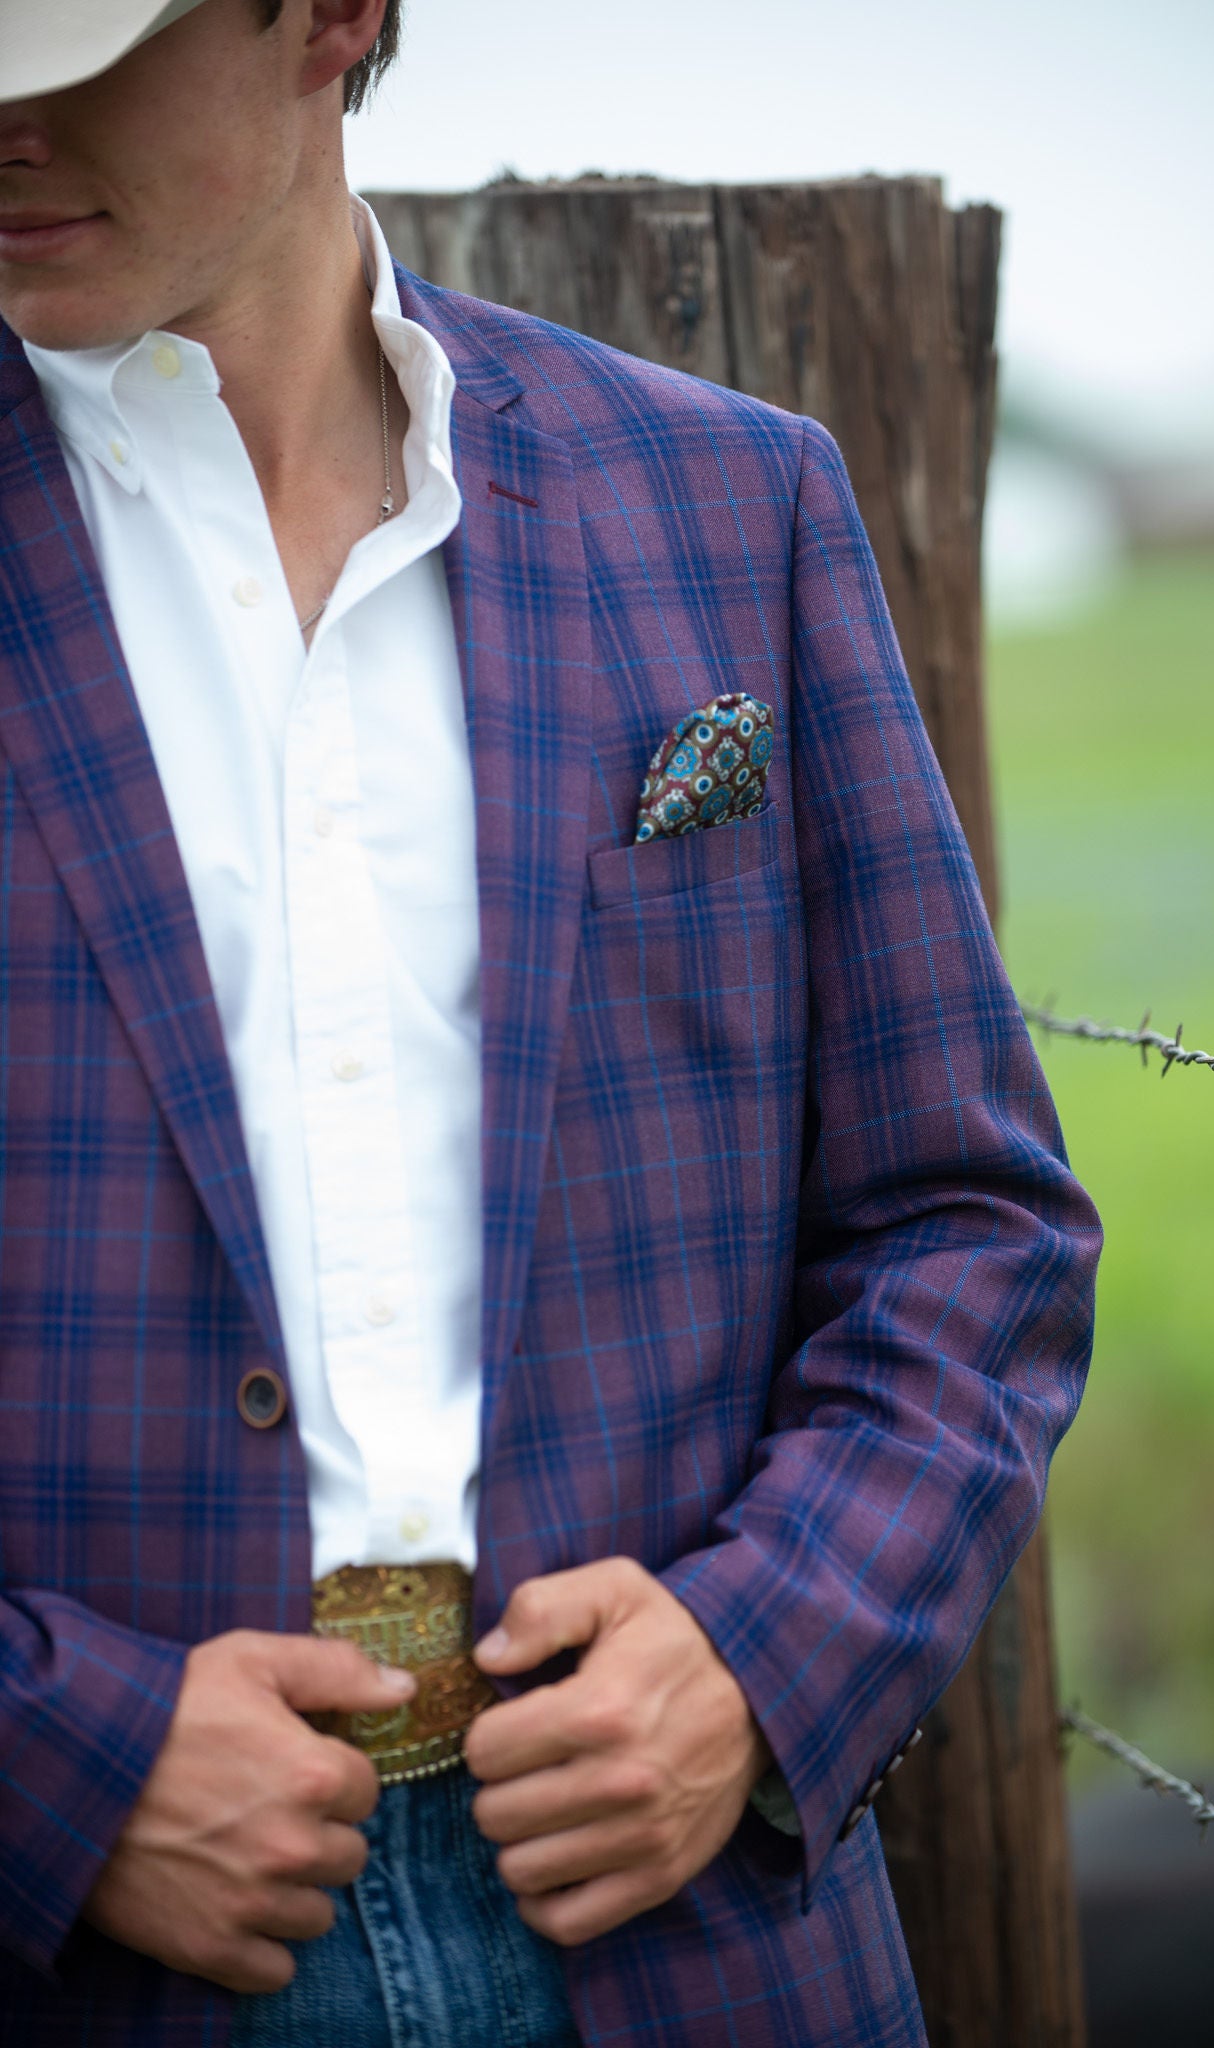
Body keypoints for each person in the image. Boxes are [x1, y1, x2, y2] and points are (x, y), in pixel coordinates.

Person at [0, 2, 1102, 2043]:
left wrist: (761, 1658)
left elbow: (968, 1228)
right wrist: (52, 1770)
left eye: (68, 38)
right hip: (86, 1953)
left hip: (686, 1931)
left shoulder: (723, 501)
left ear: (329, 14)